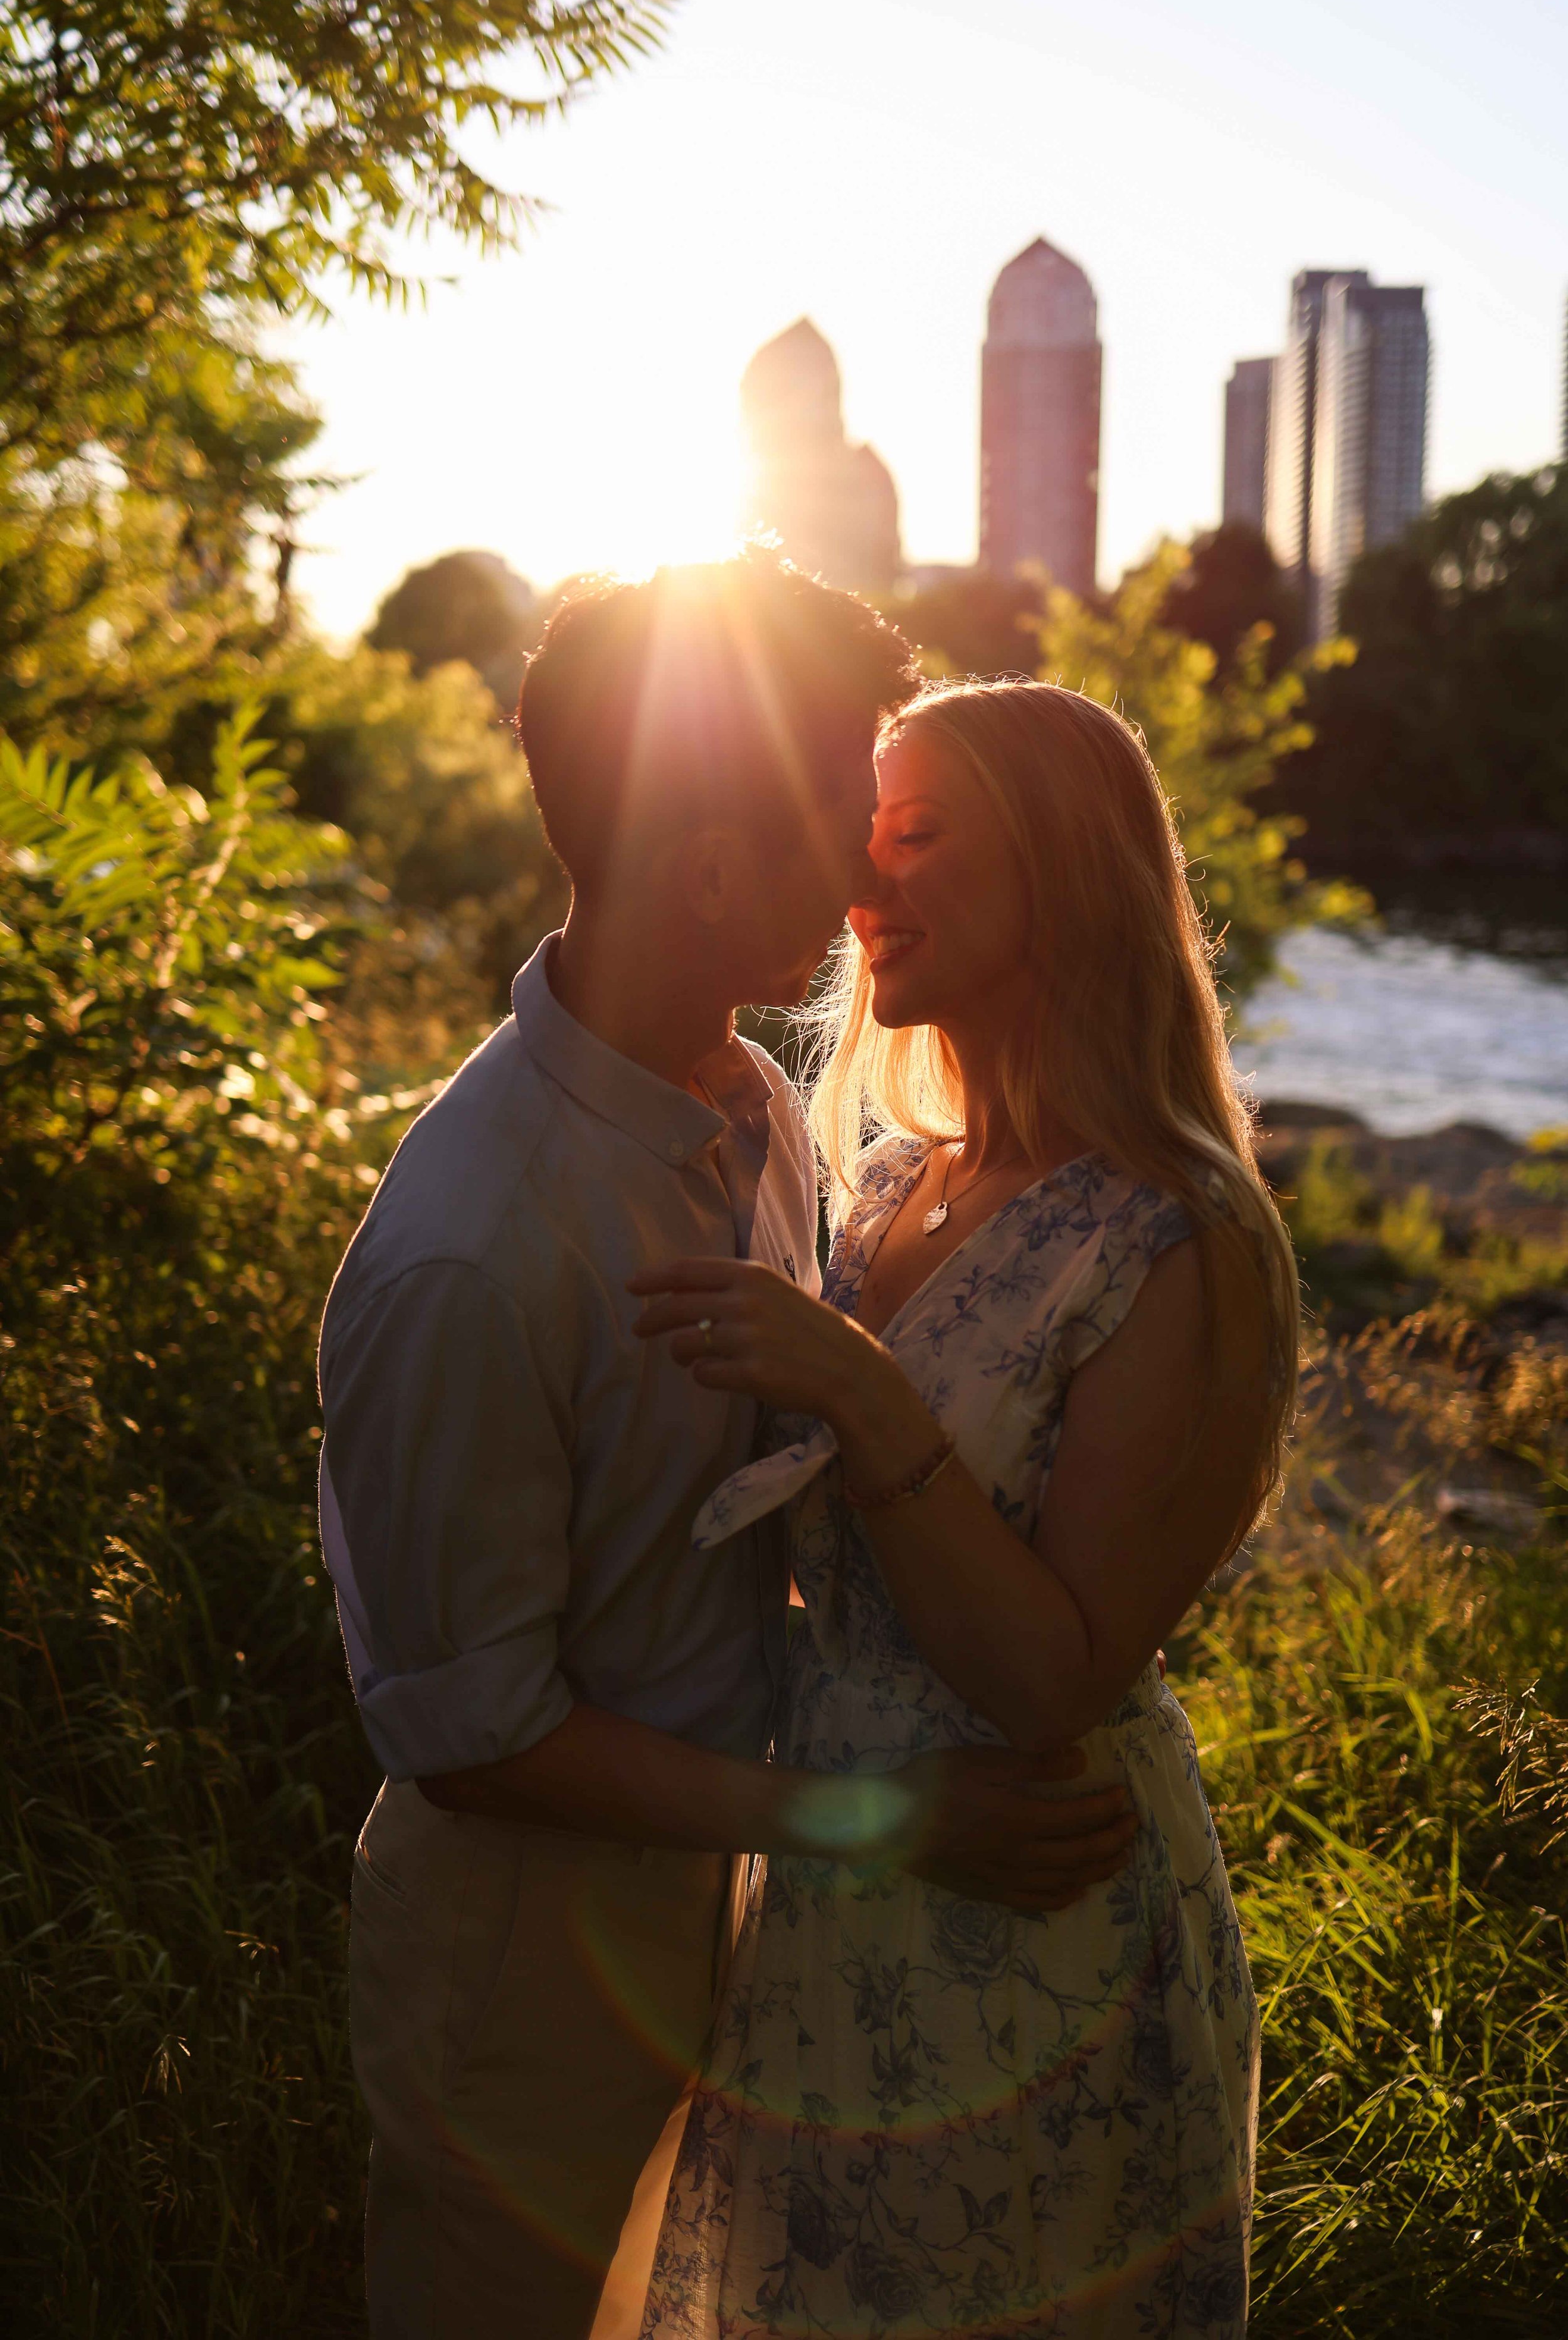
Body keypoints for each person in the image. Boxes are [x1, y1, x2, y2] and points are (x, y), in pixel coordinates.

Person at [316, 559, 1142, 2340]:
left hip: (734, 1926)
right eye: (838, 822)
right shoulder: (475, 1247)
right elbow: (473, 1735)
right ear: (707, 860)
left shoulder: (755, 1104)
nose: (866, 874)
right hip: (525, 1976)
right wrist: (874, 1820)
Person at [632, 677, 1299, 2337]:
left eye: (919, 836)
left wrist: (862, 1394)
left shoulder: (1173, 1234)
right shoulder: (878, 1183)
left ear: (1065, 870)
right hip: (839, 1890)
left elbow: (1052, 1676)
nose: (861, 885)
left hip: (1033, 1920)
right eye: (863, 837)